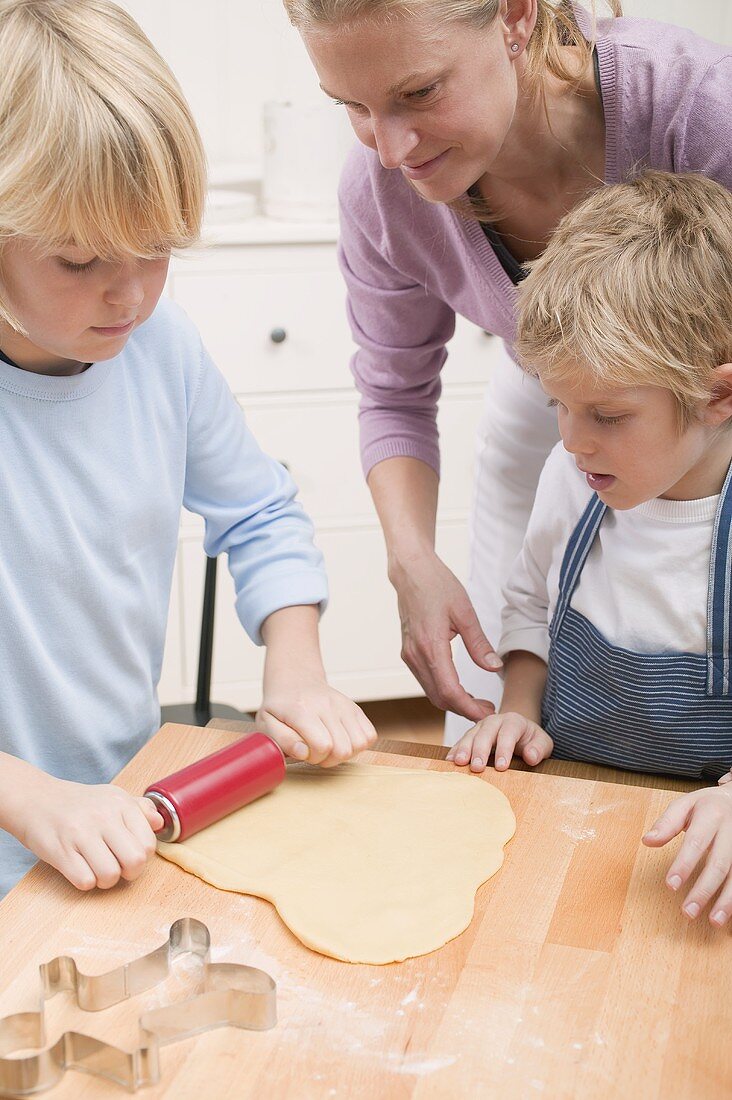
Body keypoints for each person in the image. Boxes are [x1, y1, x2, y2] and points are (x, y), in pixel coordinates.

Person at [0, 0, 376, 900]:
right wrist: (28, 796)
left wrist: (295, 665)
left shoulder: (159, 350)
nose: (128, 294)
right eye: (79, 261)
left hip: (119, 822)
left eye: (157, 250)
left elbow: (260, 513)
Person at [283, 0, 732, 741]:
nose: (390, 150)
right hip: (548, 393)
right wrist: (412, 561)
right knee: (507, 690)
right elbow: (394, 394)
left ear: (515, 19)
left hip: (702, 406)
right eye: (352, 108)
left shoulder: (700, 108)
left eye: (419, 92)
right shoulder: (379, 192)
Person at [447, 171, 732, 927]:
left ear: (718, 396)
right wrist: (517, 708)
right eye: (558, 406)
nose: (573, 440)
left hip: (697, 847)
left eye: (606, 413)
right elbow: (533, 603)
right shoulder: (576, 478)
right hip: (568, 809)